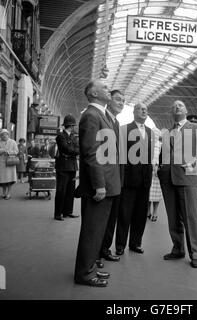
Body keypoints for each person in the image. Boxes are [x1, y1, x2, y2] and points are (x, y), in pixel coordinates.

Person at [74, 79, 121, 287]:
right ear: (93, 93)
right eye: (103, 87)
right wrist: (99, 185)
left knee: (98, 230)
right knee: (92, 231)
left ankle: (90, 267)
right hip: (99, 186)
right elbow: (91, 154)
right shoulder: (91, 116)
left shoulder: (101, 115)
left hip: (108, 184)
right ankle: (84, 274)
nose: (108, 89)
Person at [157, 100, 197, 268]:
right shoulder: (168, 132)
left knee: (190, 217)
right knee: (173, 216)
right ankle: (178, 248)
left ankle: (195, 253)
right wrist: (161, 168)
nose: (177, 107)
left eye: (181, 105)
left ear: (186, 110)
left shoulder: (195, 128)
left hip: (187, 177)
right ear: (172, 112)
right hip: (168, 179)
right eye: (174, 106)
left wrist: (193, 165)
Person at [115, 103, 153, 255]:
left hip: (145, 180)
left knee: (140, 213)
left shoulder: (151, 132)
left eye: (146, 109)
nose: (144, 111)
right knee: (125, 213)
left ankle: (135, 243)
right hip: (129, 179)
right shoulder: (124, 130)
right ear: (133, 112)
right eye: (141, 109)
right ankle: (120, 245)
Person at [97, 89, 125, 264]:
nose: (121, 103)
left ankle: (105, 249)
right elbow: (97, 154)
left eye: (123, 100)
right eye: (117, 99)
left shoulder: (116, 122)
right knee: (101, 221)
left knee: (110, 219)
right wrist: (100, 183)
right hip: (105, 181)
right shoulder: (102, 118)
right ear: (108, 100)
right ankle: (96, 254)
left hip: (115, 181)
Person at [54, 115, 80, 221]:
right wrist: (75, 151)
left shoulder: (73, 137)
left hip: (72, 166)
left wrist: (73, 151)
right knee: (61, 190)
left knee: (70, 191)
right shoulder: (60, 136)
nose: (74, 128)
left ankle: (67, 212)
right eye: (73, 125)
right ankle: (58, 213)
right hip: (63, 167)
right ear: (70, 125)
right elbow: (65, 149)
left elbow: (76, 148)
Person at [148, 127, 163, 222]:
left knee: (156, 194)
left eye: (157, 133)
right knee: (148, 193)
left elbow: (164, 158)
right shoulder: (148, 144)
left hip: (158, 173)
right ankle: (148, 211)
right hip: (149, 171)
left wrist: (159, 167)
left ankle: (155, 212)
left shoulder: (162, 145)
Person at [0, 129, 18, 199]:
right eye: (2, 135)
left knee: (10, 179)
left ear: (8, 135)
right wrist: (1, 151)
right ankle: (4, 193)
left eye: (5, 134)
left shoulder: (13, 142)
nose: (4, 136)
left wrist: (8, 152)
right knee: (3, 179)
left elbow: (16, 151)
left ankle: (9, 193)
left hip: (10, 162)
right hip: (1, 163)